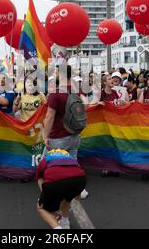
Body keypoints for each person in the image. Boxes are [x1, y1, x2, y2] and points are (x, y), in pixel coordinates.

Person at [43, 65, 88, 199]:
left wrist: (45, 135)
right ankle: (80, 189)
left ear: (61, 74)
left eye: (56, 72)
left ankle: (52, 196)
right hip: (74, 134)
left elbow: (50, 116)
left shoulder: (56, 93)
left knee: (47, 165)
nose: (55, 74)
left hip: (58, 137)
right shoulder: (77, 90)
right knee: (73, 164)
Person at [36, 149, 87, 229]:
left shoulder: (44, 160)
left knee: (41, 208)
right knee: (67, 199)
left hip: (56, 182)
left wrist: (47, 200)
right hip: (80, 180)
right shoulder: (70, 158)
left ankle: (57, 228)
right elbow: (78, 171)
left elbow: (40, 180)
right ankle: (65, 223)